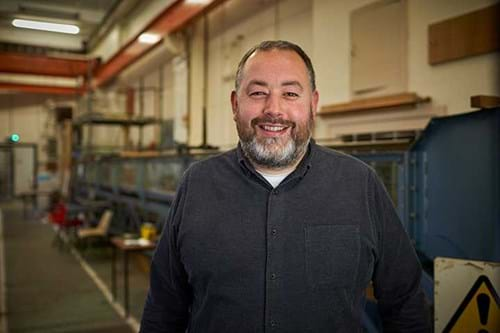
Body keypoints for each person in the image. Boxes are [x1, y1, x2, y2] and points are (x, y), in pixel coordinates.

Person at [140, 40, 430, 332]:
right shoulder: (197, 185)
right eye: (257, 93)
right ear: (235, 103)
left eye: (290, 93)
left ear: (313, 104)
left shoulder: (360, 184)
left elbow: (405, 303)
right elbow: (164, 307)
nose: (273, 109)